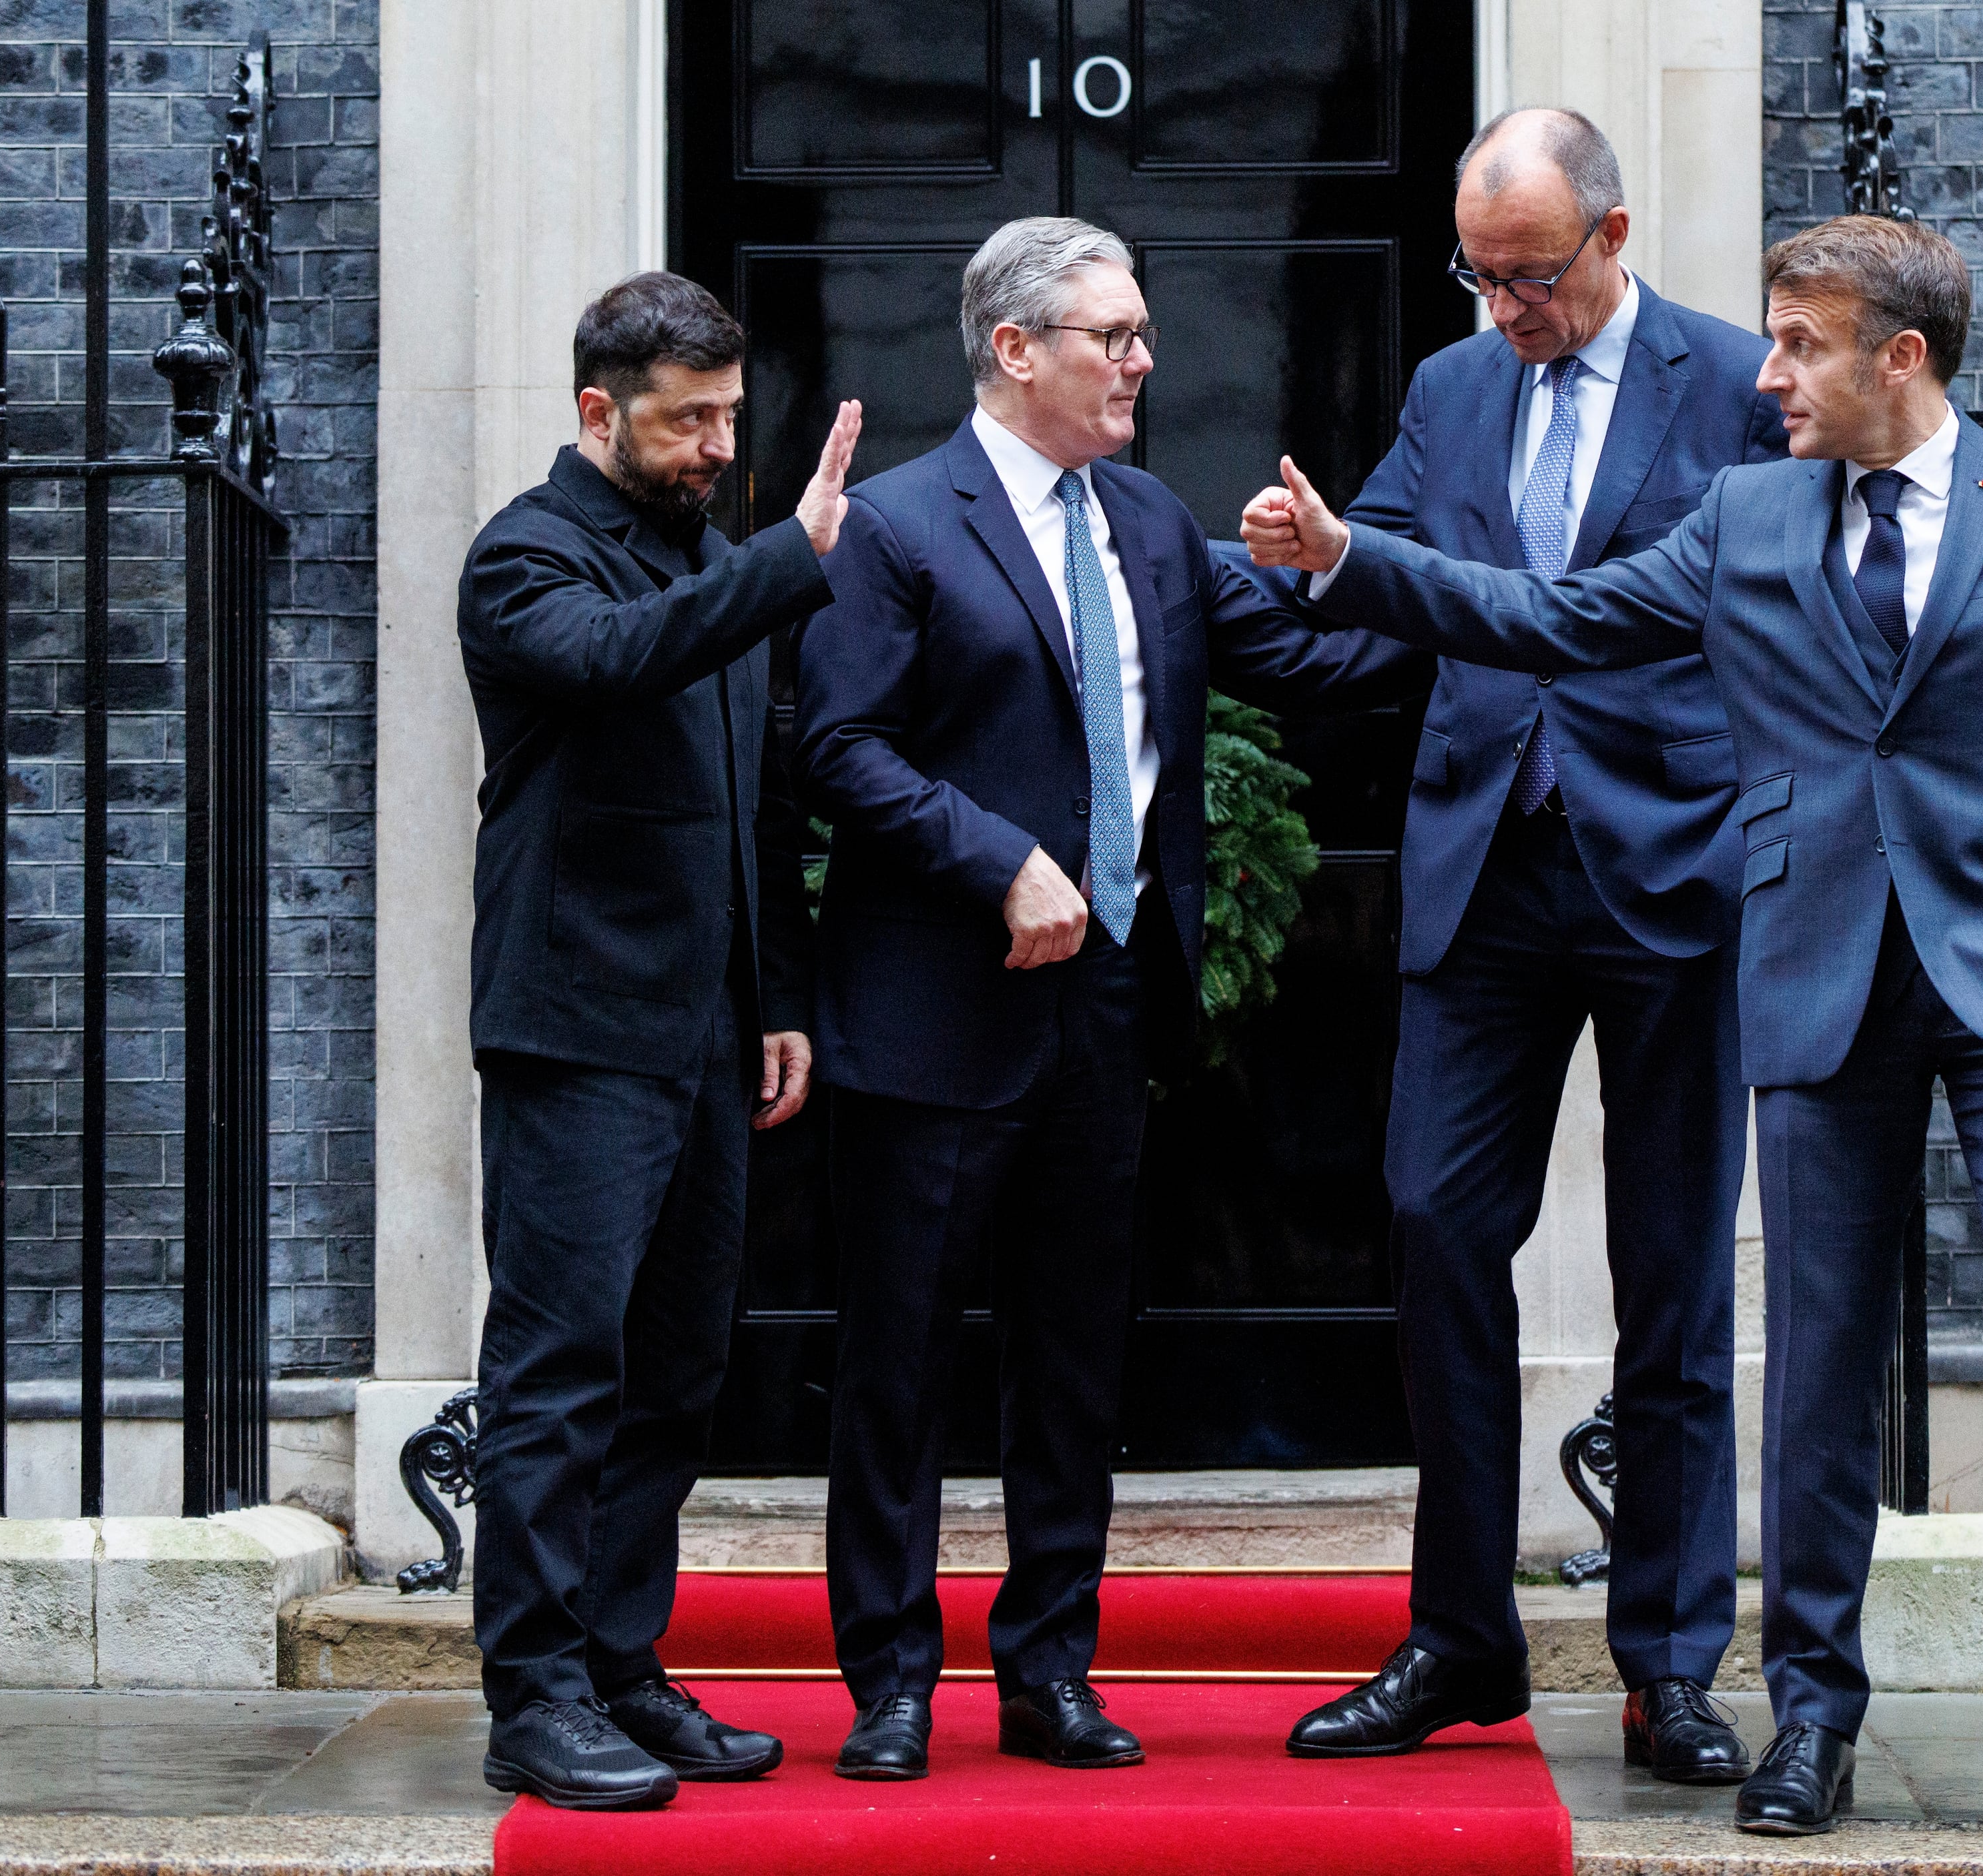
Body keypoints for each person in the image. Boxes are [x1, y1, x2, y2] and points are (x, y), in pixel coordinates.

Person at [1243, 214, 1983, 1841]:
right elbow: (1559, 618)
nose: (1766, 377)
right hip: (1818, 963)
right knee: (1818, 1363)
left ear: (1897, 357)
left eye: (1797, 345)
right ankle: (1814, 1711)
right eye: (1766, 339)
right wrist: (1353, 561)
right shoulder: (1747, 513)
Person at [797, 215, 1431, 1783]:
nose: (1144, 360)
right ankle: (888, 1679)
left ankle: (1047, 1670)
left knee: (1075, 1357)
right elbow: (837, 746)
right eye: (1112, 337)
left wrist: (1421, 600)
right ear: (1015, 350)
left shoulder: (1145, 521)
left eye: (1142, 334)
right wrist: (994, 857)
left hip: (1102, 1010)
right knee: (900, 1361)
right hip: (937, 1008)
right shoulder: (893, 528)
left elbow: (1306, 663)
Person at [1270, 106, 1783, 1781]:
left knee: (1672, 1281)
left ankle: (1668, 1663)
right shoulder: (1449, 387)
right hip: (1480, 861)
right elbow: (1377, 583)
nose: (1507, 309)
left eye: (1534, 277)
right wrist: (1223, 587)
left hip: (1673, 868)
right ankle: (1457, 1638)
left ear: (1615, 240)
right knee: (1430, 1228)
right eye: (1480, 276)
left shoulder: (1738, 382)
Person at [456, 270, 863, 1811]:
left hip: (704, 1034)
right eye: (687, 420)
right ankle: (534, 1692)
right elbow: (621, 663)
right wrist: (785, 557)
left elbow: (756, 805)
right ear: (596, 411)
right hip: (574, 1029)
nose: (713, 446)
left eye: (727, 418)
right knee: (561, 1368)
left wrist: (779, 999)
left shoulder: (709, 559)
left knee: (677, 1371)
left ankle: (620, 1665)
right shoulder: (528, 555)